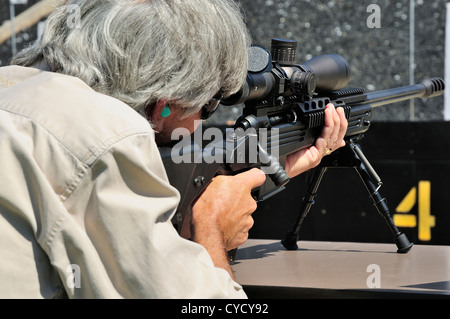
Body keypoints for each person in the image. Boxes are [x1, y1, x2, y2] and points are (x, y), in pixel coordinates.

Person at [0, 0, 347, 298]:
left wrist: (275, 166)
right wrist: (210, 224)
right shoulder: (108, 135)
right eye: (209, 105)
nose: (203, 122)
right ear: (164, 105)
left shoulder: (14, 89)